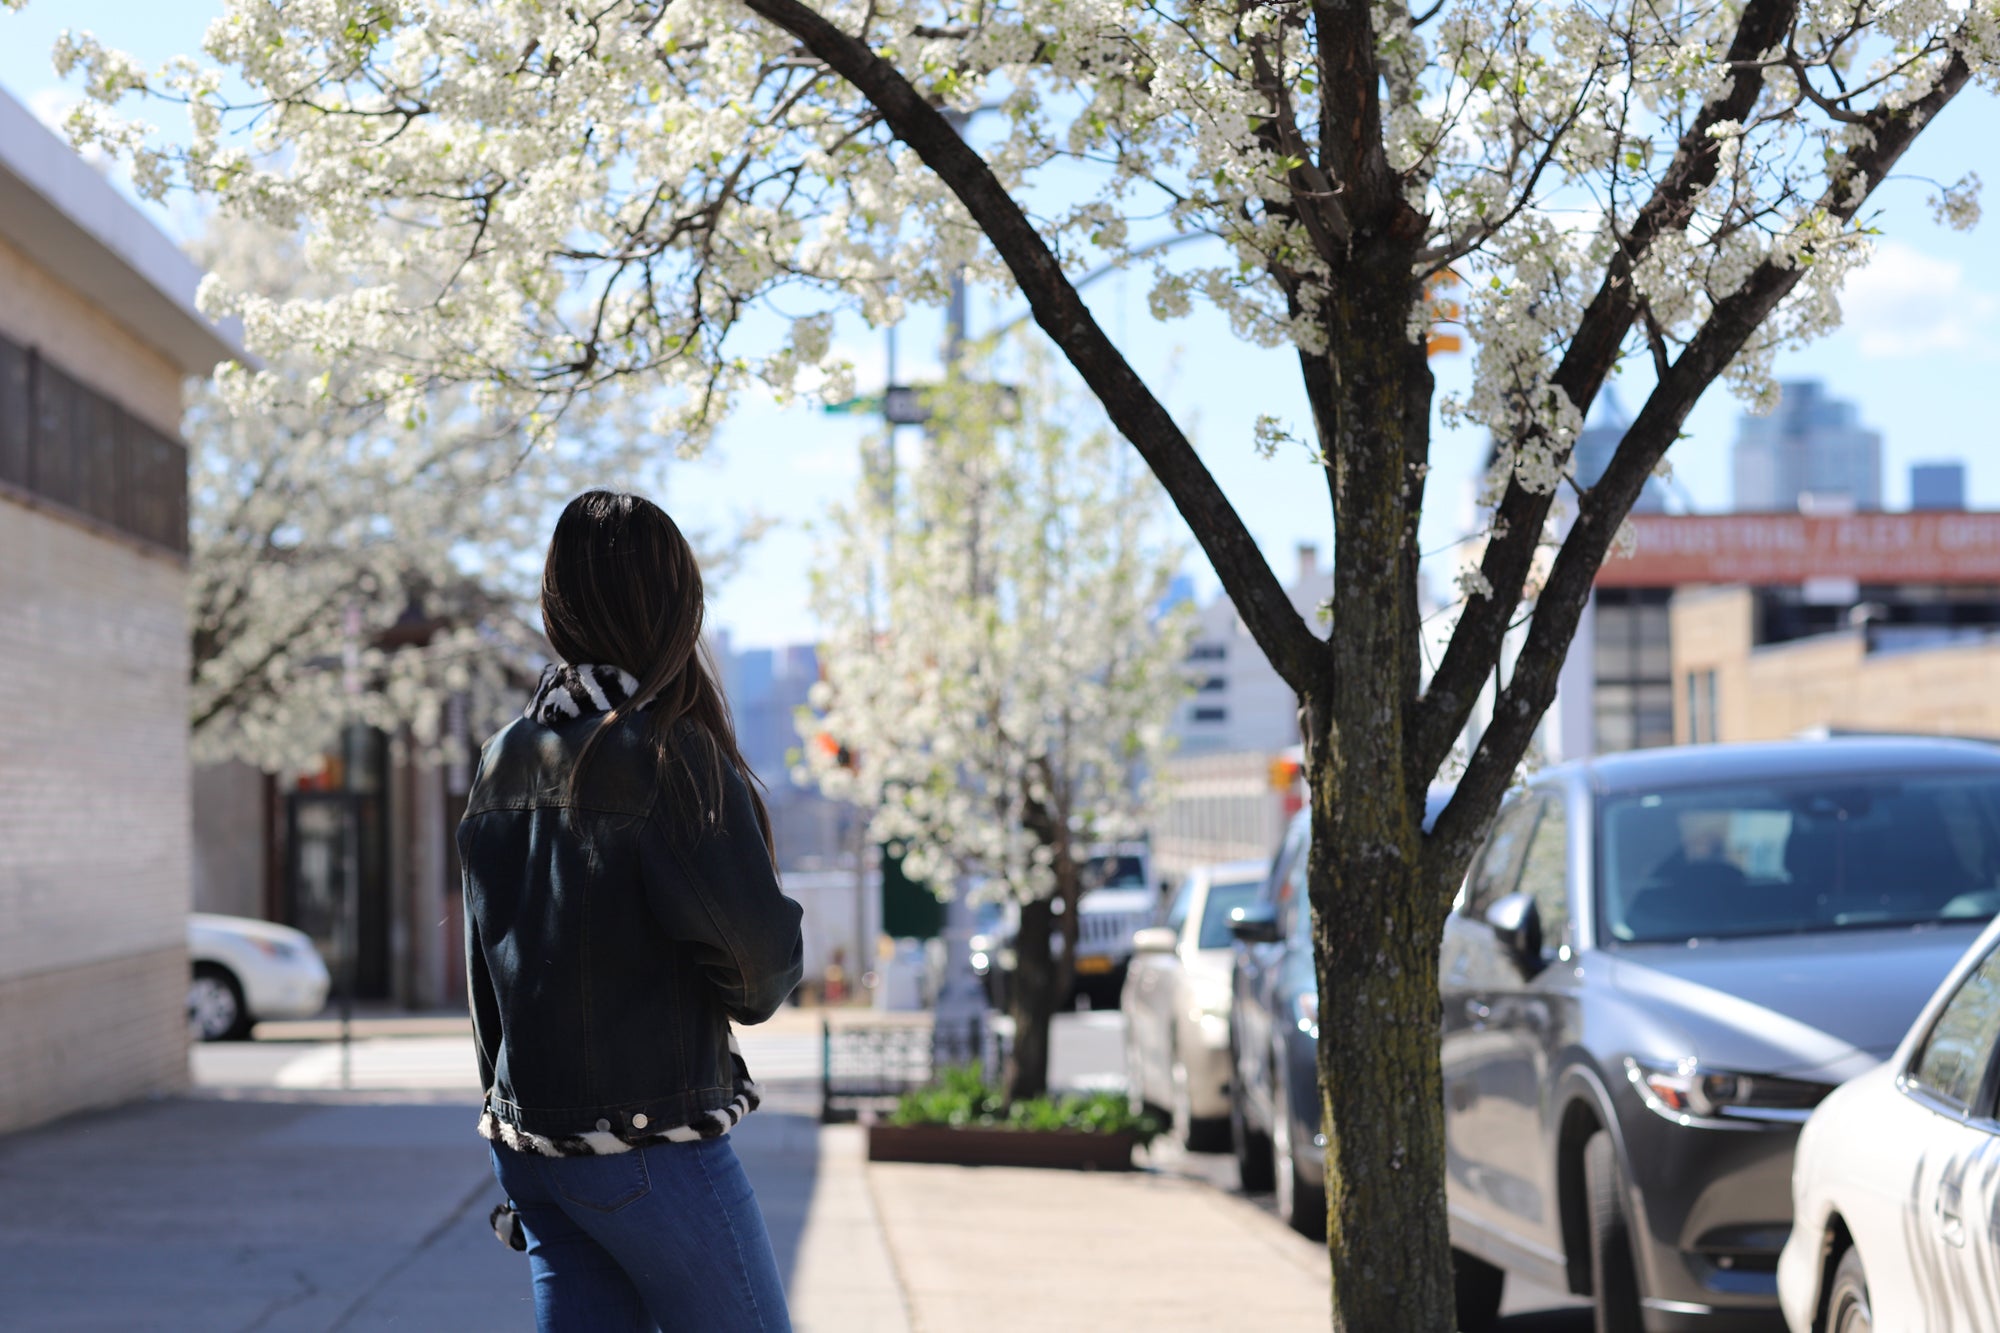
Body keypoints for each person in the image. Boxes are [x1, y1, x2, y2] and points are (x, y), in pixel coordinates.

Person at [458, 490, 805, 1332]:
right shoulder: (665, 750)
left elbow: (487, 979)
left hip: (534, 1150)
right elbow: (759, 971)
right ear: (673, 606)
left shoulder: (507, 753)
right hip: (648, 1148)